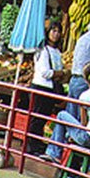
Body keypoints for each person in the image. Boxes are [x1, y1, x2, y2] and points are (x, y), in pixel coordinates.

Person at [44, 62, 90, 165]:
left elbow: (83, 123)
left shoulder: (85, 96)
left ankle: (54, 153)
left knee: (61, 115)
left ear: (85, 79)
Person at [29, 21, 64, 155]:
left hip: (50, 89)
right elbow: (45, 72)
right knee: (37, 118)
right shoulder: (42, 51)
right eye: (53, 31)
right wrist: (59, 73)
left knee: (43, 118)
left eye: (58, 31)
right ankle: (32, 146)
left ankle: (37, 144)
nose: (56, 34)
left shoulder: (57, 52)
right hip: (41, 87)